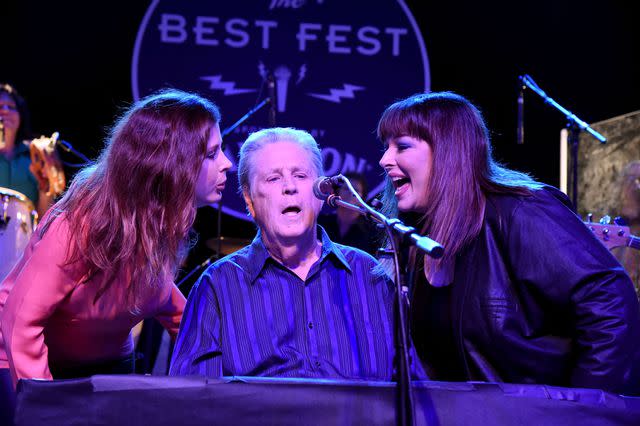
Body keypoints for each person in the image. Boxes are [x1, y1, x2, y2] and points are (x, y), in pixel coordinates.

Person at [376, 91, 640, 394]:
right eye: (386, 146)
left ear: (448, 151)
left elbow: (611, 305)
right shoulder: (420, 238)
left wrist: (582, 410)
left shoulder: (521, 211)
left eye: (402, 146)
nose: (384, 159)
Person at [0, 89, 231, 421]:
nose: (227, 164)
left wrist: (198, 394)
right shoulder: (77, 226)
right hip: (23, 360)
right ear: (168, 162)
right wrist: (46, 410)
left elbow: (176, 311)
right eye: (212, 154)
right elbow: (20, 323)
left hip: (106, 365)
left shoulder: (156, 226)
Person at [170, 127, 424, 380]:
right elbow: (195, 399)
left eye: (301, 176)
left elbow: (412, 392)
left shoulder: (369, 276)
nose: (289, 187)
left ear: (322, 193)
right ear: (249, 200)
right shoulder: (218, 285)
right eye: (273, 178)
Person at [0, 83, 56, 216]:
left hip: (26, 235)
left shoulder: (35, 156)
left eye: (11, 107)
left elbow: (45, 217)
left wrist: (46, 184)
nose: (6, 110)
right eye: (0, 106)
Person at [318, 172, 380, 255]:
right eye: (346, 189)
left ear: (362, 197)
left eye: (356, 191)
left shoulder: (371, 231)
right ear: (337, 192)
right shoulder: (322, 223)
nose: (351, 193)